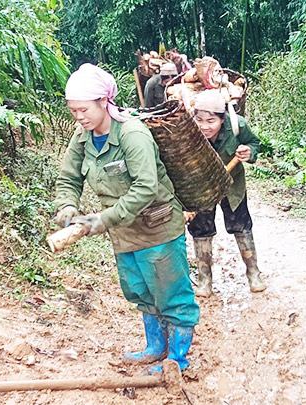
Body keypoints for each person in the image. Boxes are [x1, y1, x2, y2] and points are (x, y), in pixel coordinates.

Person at [53, 63, 199, 373]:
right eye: (73, 111)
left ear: (104, 102)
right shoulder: (82, 137)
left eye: (83, 110)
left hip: (157, 228)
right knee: (140, 290)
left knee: (172, 293)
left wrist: (102, 220)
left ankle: (178, 360)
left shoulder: (133, 134)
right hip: (124, 234)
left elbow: (146, 188)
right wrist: (66, 207)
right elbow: (68, 179)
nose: (79, 117)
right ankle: (156, 347)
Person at [188, 90, 267, 297]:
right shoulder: (186, 130)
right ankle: (204, 280)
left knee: (241, 226)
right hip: (202, 185)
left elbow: (254, 143)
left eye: (211, 121)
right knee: (201, 230)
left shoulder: (237, 126)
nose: (204, 126)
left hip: (232, 184)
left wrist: (248, 152)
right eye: (200, 120)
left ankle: (253, 273)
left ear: (222, 120)